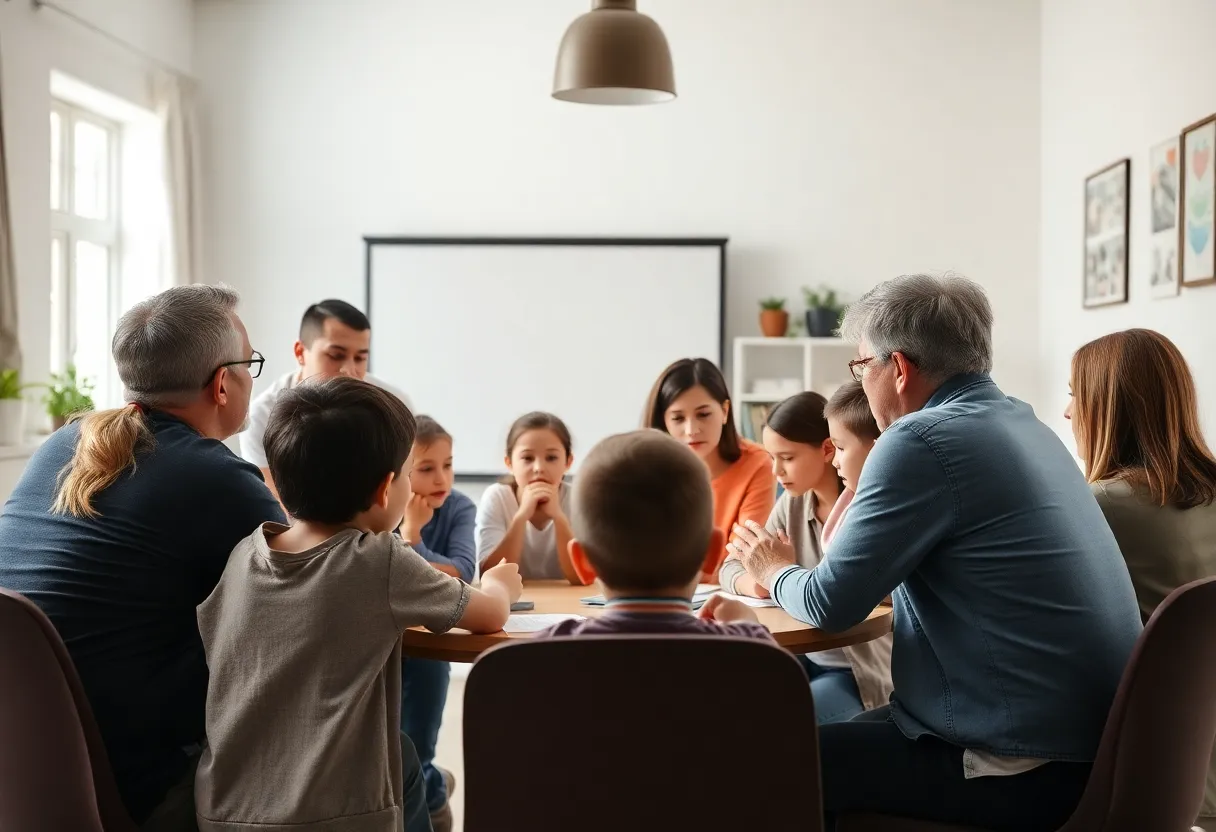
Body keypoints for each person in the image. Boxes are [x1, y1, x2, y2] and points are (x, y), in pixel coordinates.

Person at [730, 272, 1143, 831]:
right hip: (1089, 750)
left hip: (1017, 763)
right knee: (807, 742)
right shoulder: (1026, 422)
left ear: (897, 369)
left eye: (861, 368)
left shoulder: (920, 439)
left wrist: (775, 570)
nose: (862, 382)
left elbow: (831, 605)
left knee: (755, 765)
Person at [0, 285, 286, 829]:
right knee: (392, 755)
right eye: (250, 363)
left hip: (22, 781)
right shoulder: (218, 479)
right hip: (139, 788)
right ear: (222, 383)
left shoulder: (61, 447)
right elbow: (316, 595)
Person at [195, 377, 522, 832]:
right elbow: (491, 615)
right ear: (386, 489)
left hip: (222, 811)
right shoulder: (376, 559)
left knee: (403, 754)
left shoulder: (245, 554)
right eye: (411, 473)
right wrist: (500, 583)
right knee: (400, 754)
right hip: (333, 819)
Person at [1066, 328, 1216, 827]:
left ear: (1105, 406)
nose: (1067, 413)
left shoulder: (1098, 507)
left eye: (1073, 394)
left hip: (1158, 772)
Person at [723, 389, 893, 725]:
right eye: (771, 458)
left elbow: (845, 595)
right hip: (798, 658)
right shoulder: (793, 503)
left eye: (786, 458)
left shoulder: (866, 510)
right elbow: (730, 567)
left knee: (779, 723)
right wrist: (759, 582)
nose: (776, 471)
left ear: (827, 449)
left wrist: (778, 571)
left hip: (853, 670)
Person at [536, 429, 774, 640]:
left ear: (582, 562)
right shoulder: (752, 649)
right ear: (711, 554)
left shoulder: (539, 655)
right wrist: (746, 624)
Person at [239, 299, 411, 504]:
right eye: (336, 356)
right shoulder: (262, 416)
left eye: (360, 358)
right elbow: (275, 505)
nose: (349, 371)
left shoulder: (393, 404)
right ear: (300, 352)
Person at [398, 415, 477, 832]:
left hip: (434, 639)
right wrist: (409, 530)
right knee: (394, 747)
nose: (441, 477)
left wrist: (413, 538)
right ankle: (432, 787)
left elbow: (462, 572)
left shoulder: (460, 507)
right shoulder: (386, 506)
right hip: (390, 642)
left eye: (448, 464)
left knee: (419, 741)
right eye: (427, 468)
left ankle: (431, 791)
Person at [643, 358, 776, 582]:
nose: (692, 430)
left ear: (724, 411)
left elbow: (741, 560)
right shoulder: (651, 469)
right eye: (678, 418)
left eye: (703, 414)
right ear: (664, 421)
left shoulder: (758, 463)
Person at [476, 411, 582, 583]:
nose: (539, 468)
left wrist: (559, 517)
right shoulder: (497, 497)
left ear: (568, 462)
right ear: (509, 463)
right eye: (527, 458)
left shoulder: (577, 499)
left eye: (551, 458)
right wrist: (521, 516)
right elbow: (491, 575)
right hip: (512, 604)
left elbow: (580, 578)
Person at [821, 380, 882, 546]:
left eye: (840, 448)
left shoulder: (881, 513)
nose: (835, 463)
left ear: (877, 450)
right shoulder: (851, 495)